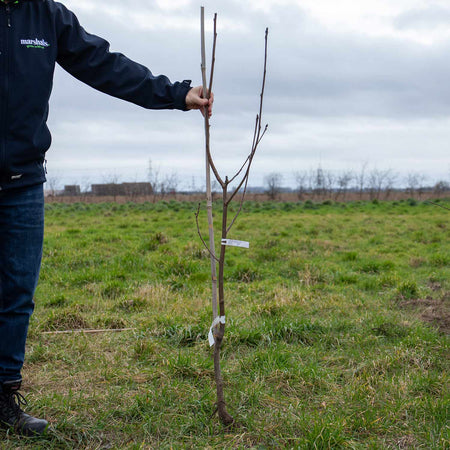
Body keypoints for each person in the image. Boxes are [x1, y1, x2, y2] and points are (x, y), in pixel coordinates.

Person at [0, 0, 213, 436]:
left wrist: (176, 94)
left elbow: (104, 65)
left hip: (22, 180)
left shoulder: (47, 15)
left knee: (16, 295)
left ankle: (3, 400)